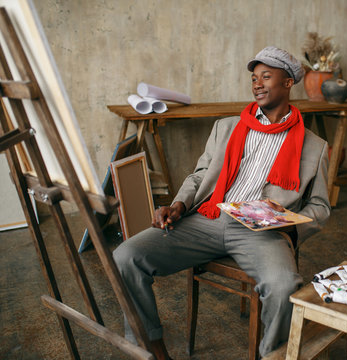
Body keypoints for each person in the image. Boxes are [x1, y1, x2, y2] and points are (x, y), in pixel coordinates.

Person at [113, 46, 331, 359]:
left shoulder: (315, 146)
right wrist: (179, 205)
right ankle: (150, 349)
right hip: (207, 217)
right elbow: (200, 176)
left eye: (266, 77)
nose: (257, 84)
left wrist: (287, 225)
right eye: (254, 78)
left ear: (287, 83)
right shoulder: (226, 127)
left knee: (283, 287)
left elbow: (320, 208)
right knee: (126, 256)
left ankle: (272, 356)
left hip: (262, 233)